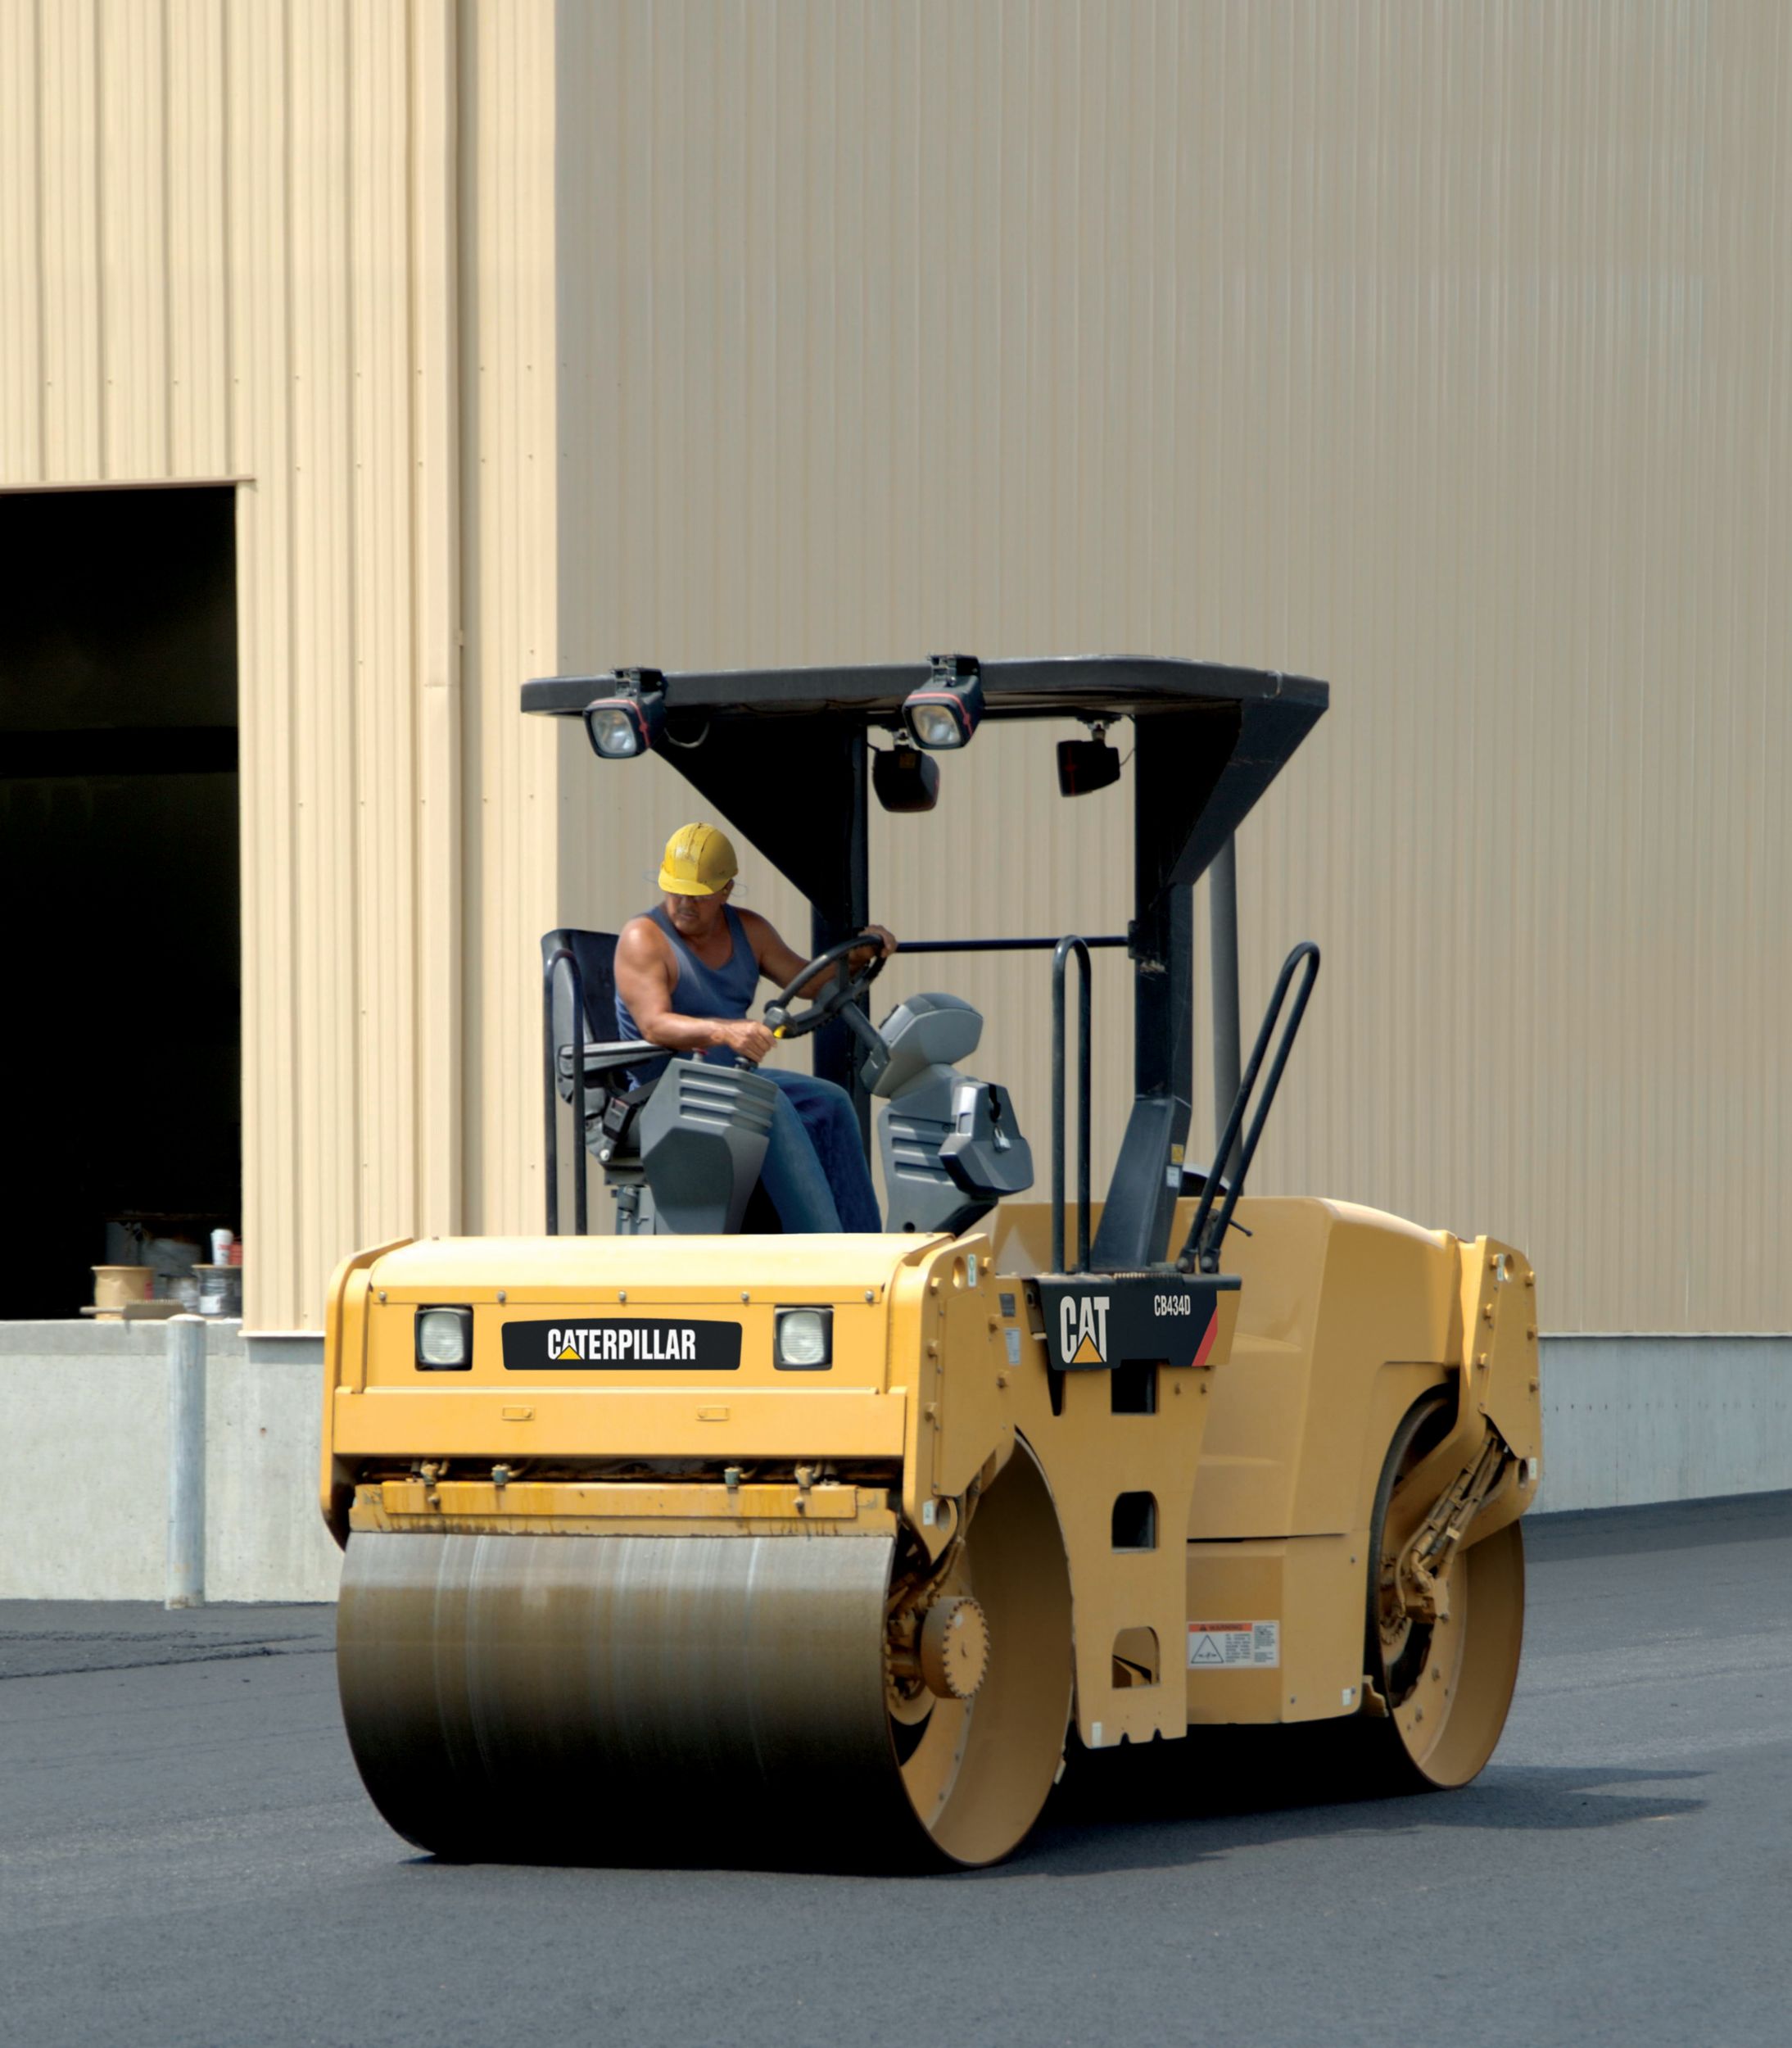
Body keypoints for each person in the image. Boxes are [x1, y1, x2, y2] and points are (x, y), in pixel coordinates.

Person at [613, 822, 896, 1233]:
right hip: (665, 1092)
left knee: (830, 1103)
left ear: (726, 890)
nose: (683, 903)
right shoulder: (644, 938)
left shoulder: (749, 930)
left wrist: (861, 952)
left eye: (698, 894)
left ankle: (865, 1247)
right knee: (770, 1103)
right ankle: (823, 1252)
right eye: (674, 890)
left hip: (732, 1082)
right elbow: (654, 1025)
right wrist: (726, 1032)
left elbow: (813, 983)